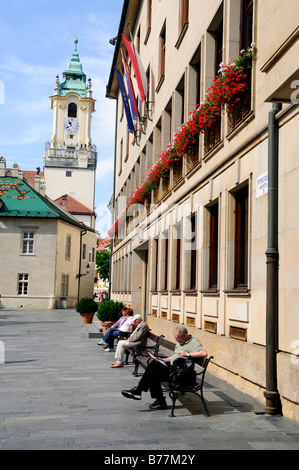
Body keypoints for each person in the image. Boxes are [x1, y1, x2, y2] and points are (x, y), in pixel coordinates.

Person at [121, 325, 207, 409]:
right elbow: (175, 356)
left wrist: (187, 354)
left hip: (180, 374)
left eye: (177, 338)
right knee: (154, 365)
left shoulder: (193, 342)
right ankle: (146, 395)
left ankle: (147, 395)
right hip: (173, 369)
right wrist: (164, 360)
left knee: (153, 372)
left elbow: (204, 353)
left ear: (184, 336)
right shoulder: (181, 342)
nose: (176, 340)